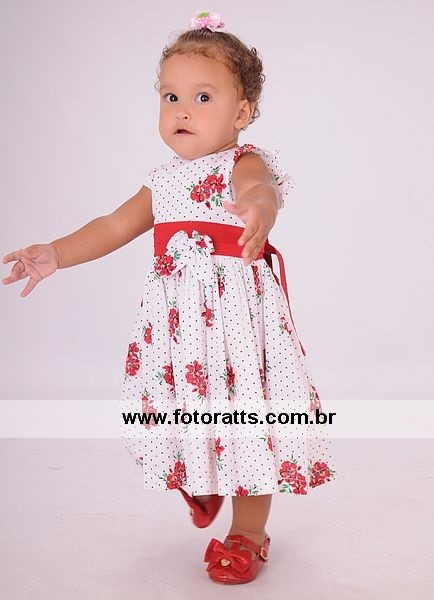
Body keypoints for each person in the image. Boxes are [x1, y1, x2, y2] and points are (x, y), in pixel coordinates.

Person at [2, 11, 336, 585]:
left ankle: (248, 533)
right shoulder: (161, 180)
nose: (182, 110)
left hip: (236, 325)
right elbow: (112, 225)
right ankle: (202, 477)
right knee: (183, 408)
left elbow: (260, 189)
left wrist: (258, 209)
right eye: (170, 96)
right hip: (181, 329)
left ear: (241, 113)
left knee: (246, 420)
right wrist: (56, 252)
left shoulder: (242, 163)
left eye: (203, 97)